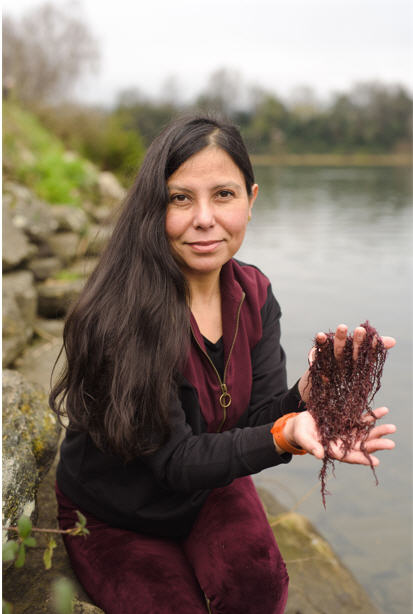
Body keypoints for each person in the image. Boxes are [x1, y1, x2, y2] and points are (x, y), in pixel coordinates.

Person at [50, 115, 396, 614]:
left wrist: (307, 394)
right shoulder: (120, 314)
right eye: (180, 198)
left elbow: (256, 419)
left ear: (251, 201)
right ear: (153, 208)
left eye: (224, 195)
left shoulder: (253, 293)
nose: (205, 218)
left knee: (260, 588)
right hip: (116, 512)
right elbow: (175, 461)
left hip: (207, 491)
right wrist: (284, 435)